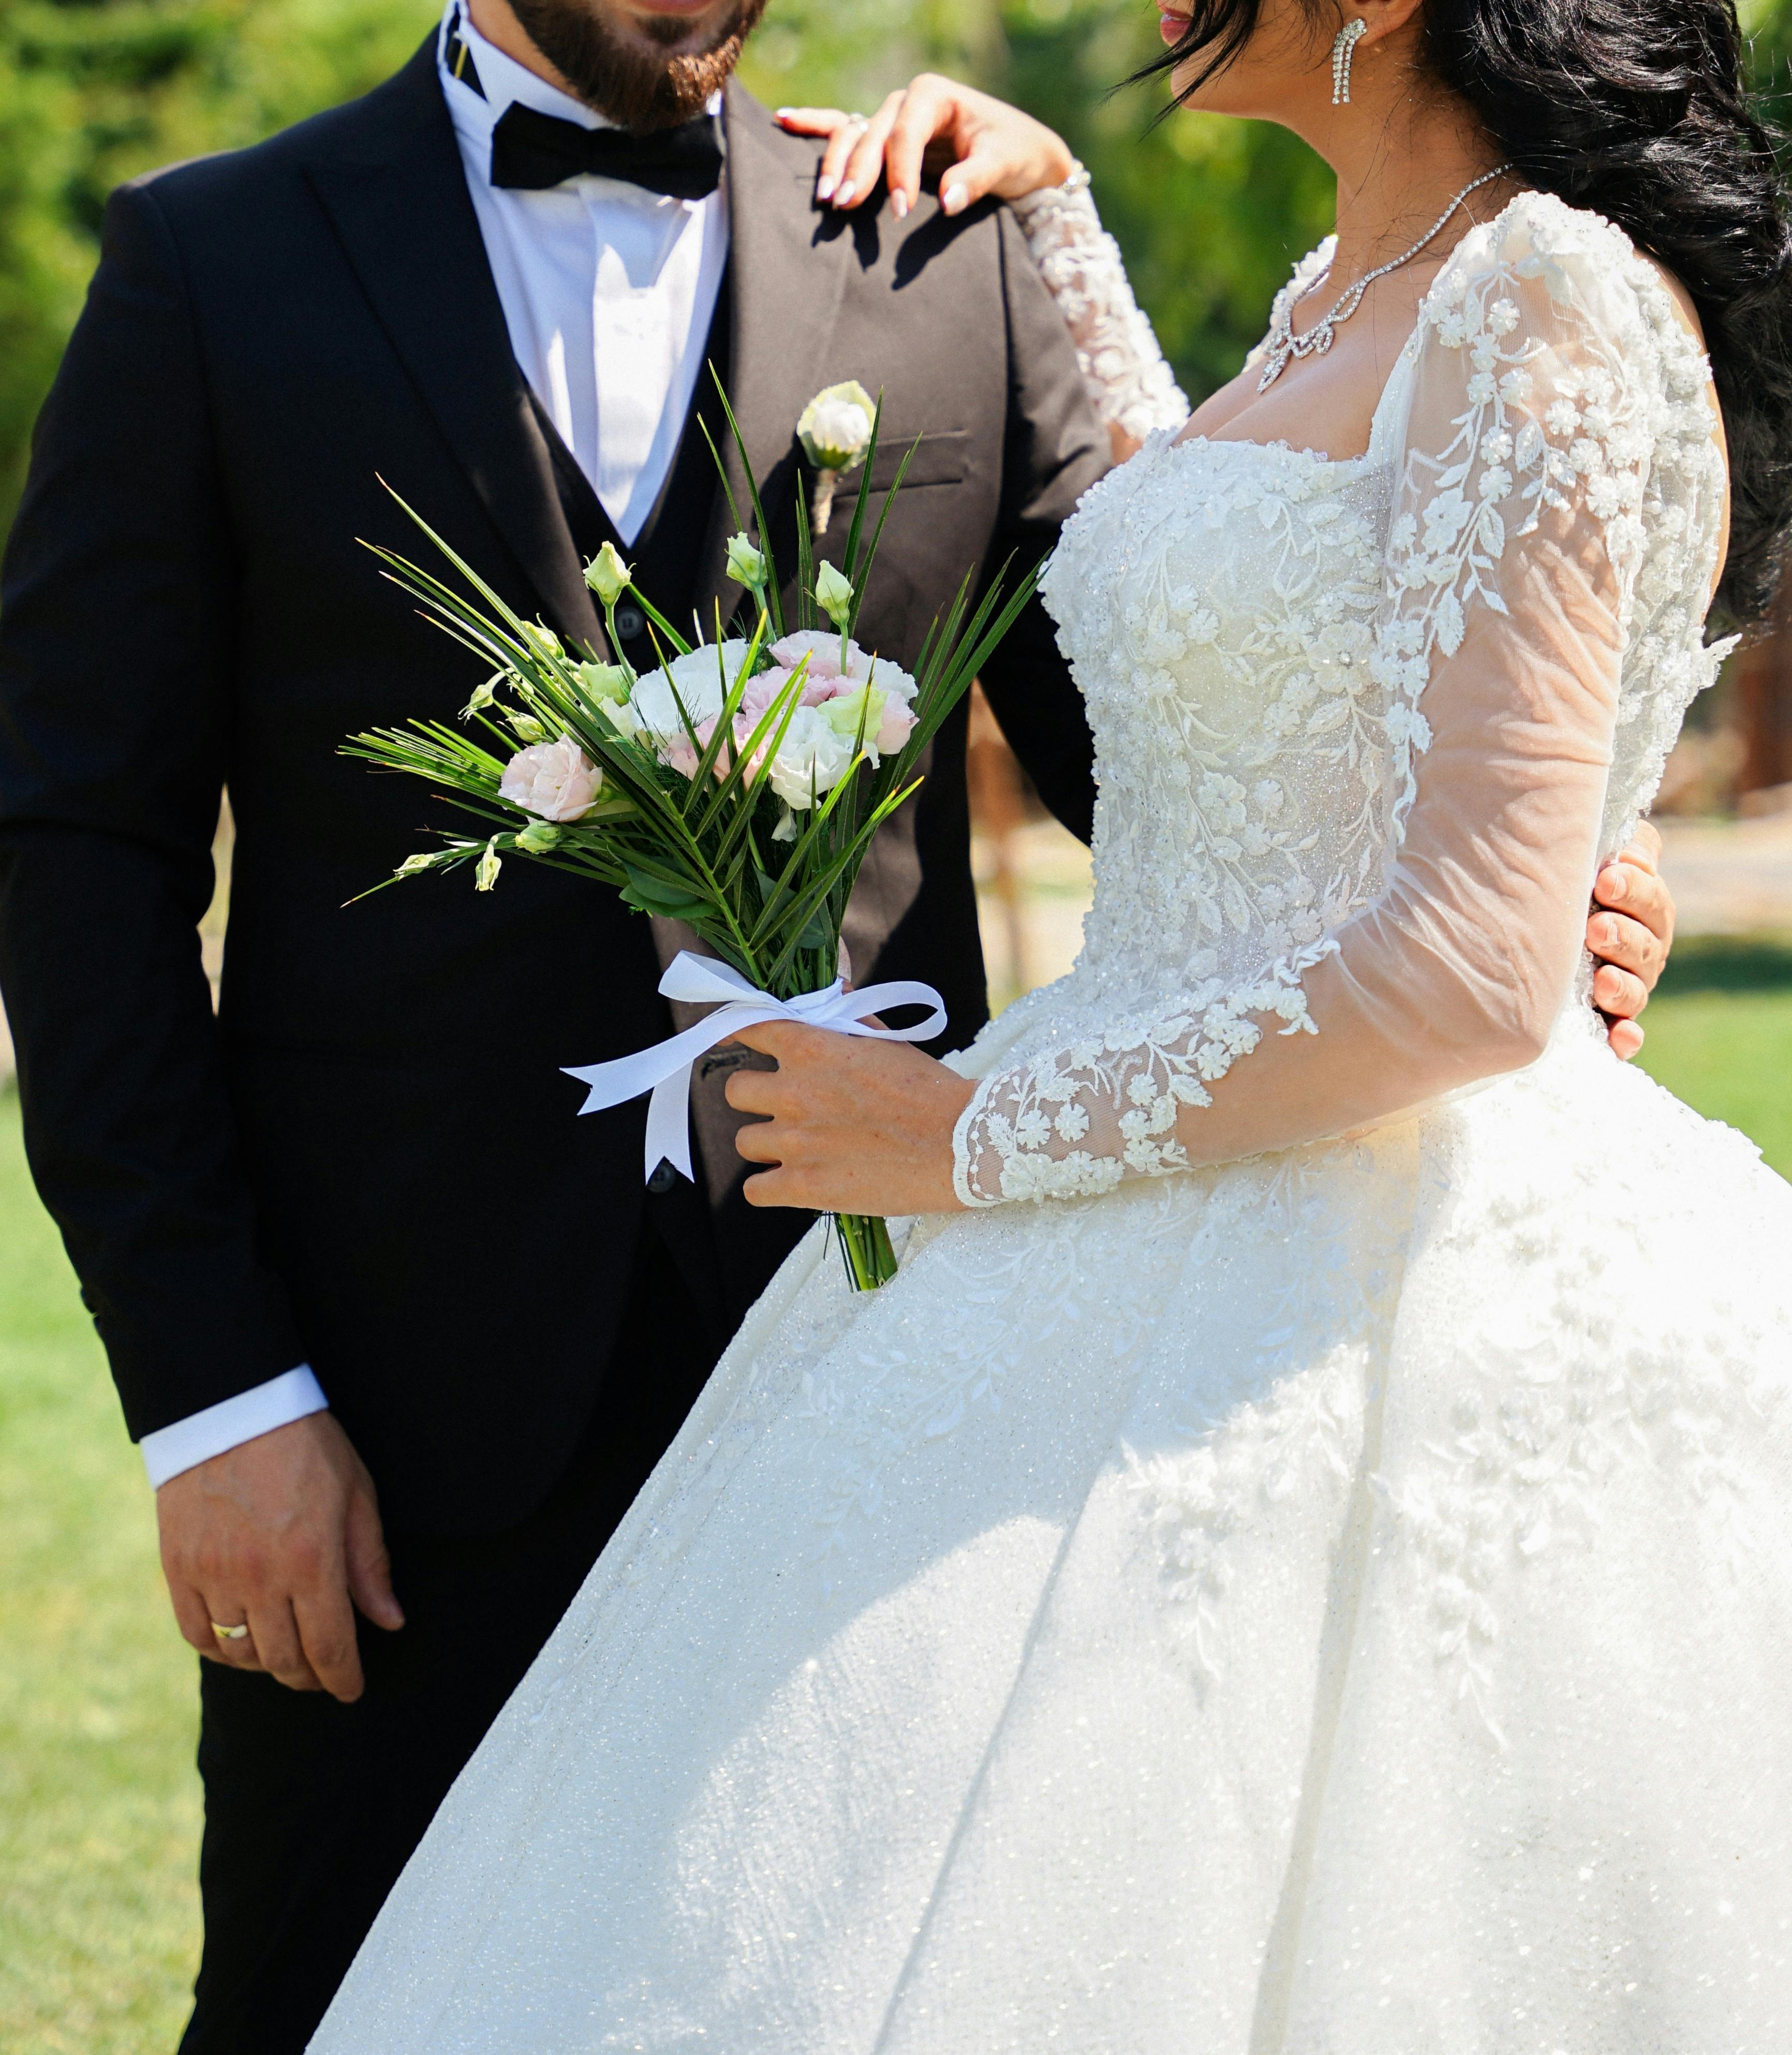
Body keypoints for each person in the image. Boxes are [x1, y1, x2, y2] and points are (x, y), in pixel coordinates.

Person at [0, 0, 1670, 2046]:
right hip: (389, 1418)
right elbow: (78, 859)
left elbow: (1171, 748)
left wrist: (1534, 850)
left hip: (904, 1376)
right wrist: (220, 1400)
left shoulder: (942, 241)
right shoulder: (214, 260)